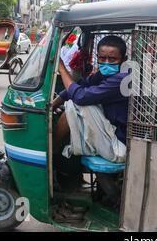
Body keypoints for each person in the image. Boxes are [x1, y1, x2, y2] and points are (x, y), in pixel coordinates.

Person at [53, 35, 129, 163]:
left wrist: (61, 67)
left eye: (112, 59)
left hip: (119, 147)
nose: (106, 63)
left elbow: (80, 97)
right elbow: (83, 84)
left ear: (123, 60)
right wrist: (53, 104)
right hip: (109, 134)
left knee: (75, 106)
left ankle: (53, 148)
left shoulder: (121, 79)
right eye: (102, 58)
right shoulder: (104, 74)